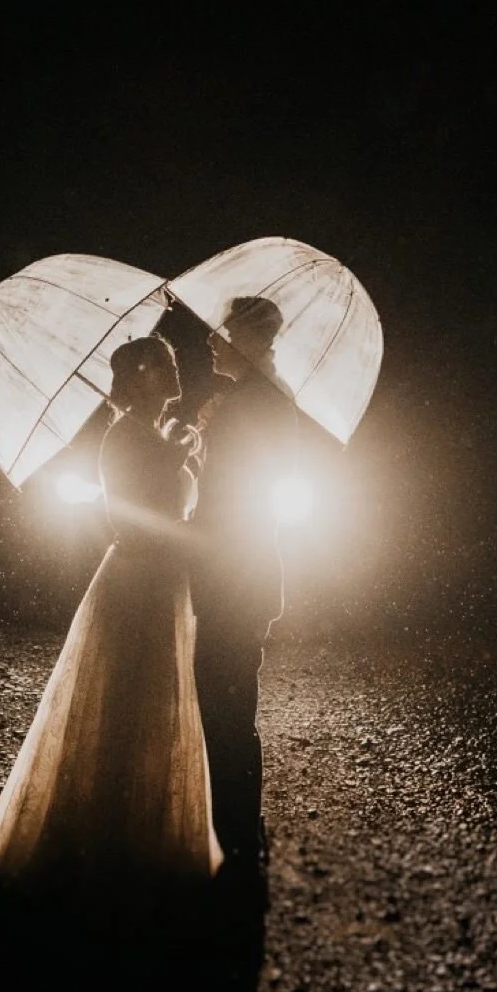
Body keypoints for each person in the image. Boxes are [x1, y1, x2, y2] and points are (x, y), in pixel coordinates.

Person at [0, 334, 223, 889]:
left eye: (172, 359)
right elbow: (135, 515)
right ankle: (108, 832)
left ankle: (144, 825)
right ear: (141, 378)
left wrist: (183, 446)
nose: (175, 369)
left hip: (162, 578)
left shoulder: (156, 434)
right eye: (163, 365)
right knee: (123, 699)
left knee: (157, 696)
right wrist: (179, 452)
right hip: (137, 577)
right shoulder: (124, 436)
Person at [188, 295, 299, 881]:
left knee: (225, 708)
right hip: (243, 573)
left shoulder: (253, 404)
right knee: (227, 702)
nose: (210, 339)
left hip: (236, 575)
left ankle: (236, 839)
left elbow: (227, 503)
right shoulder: (259, 399)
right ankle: (238, 830)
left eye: (220, 330)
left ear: (248, 341)